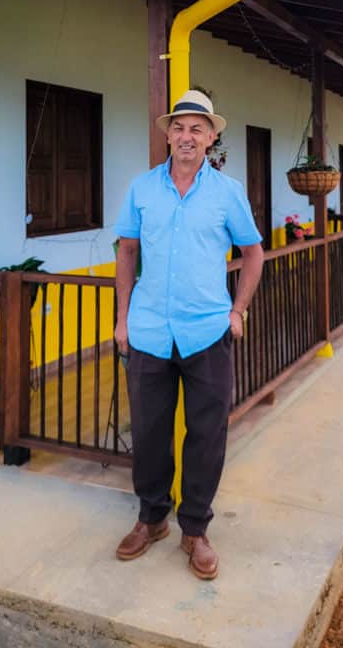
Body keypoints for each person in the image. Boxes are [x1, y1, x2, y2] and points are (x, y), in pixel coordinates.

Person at [113, 89, 264, 580]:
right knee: (151, 432)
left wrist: (238, 309)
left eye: (197, 128)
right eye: (178, 127)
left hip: (207, 330)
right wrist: (122, 319)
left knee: (206, 436)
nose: (186, 136)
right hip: (150, 330)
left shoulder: (228, 193)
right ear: (167, 134)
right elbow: (127, 254)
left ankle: (195, 529)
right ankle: (151, 518)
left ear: (212, 136)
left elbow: (253, 253)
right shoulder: (142, 189)